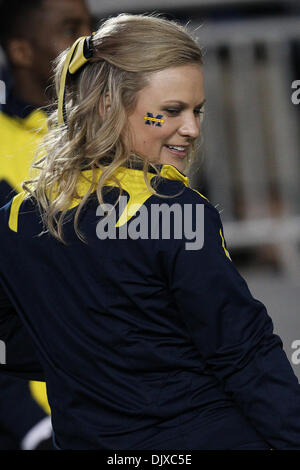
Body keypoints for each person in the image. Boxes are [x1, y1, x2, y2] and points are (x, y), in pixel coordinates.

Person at [0, 13, 300, 450]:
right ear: (107, 107)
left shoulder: (16, 219)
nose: (193, 128)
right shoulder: (179, 214)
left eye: (197, 110)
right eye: (171, 112)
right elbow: (244, 354)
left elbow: (15, 344)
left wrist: (88, 355)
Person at [0, 0, 92, 449]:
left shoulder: (126, 125)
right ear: (20, 50)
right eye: (71, 28)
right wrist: (33, 427)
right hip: (39, 423)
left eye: (92, 23)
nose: (90, 39)